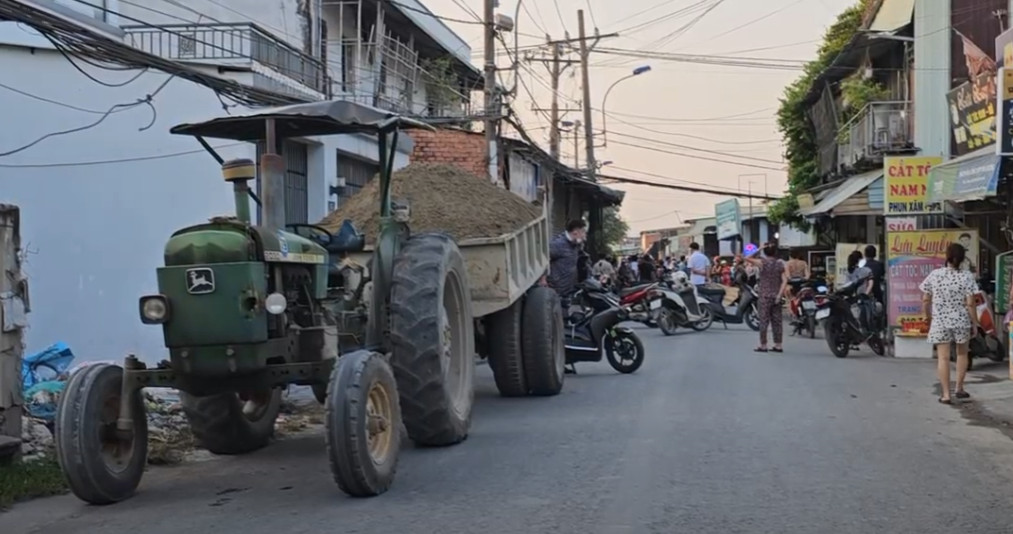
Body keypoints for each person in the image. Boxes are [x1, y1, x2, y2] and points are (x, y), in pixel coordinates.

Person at [919, 243, 979, 404]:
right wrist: (975, 323)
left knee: (943, 358)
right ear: (962, 258)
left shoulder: (935, 275)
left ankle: (946, 394)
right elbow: (971, 304)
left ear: (947, 256)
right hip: (961, 320)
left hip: (940, 321)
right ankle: (959, 388)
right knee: (962, 354)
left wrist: (929, 317)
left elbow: (925, 299)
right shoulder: (967, 276)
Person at [744, 242, 788, 352]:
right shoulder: (780, 264)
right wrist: (779, 295)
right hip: (776, 296)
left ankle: (763, 345)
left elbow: (747, 257)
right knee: (777, 321)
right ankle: (778, 345)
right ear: (776, 252)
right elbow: (785, 280)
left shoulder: (762, 262)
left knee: (763, 320)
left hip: (764, 295)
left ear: (765, 252)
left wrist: (759, 248)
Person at [546, 219, 587, 297]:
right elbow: (544, 261)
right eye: (583, 232)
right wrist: (543, 278)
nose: (584, 236)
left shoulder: (576, 246)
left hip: (569, 290)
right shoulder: (557, 245)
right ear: (575, 232)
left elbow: (584, 263)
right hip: (556, 291)